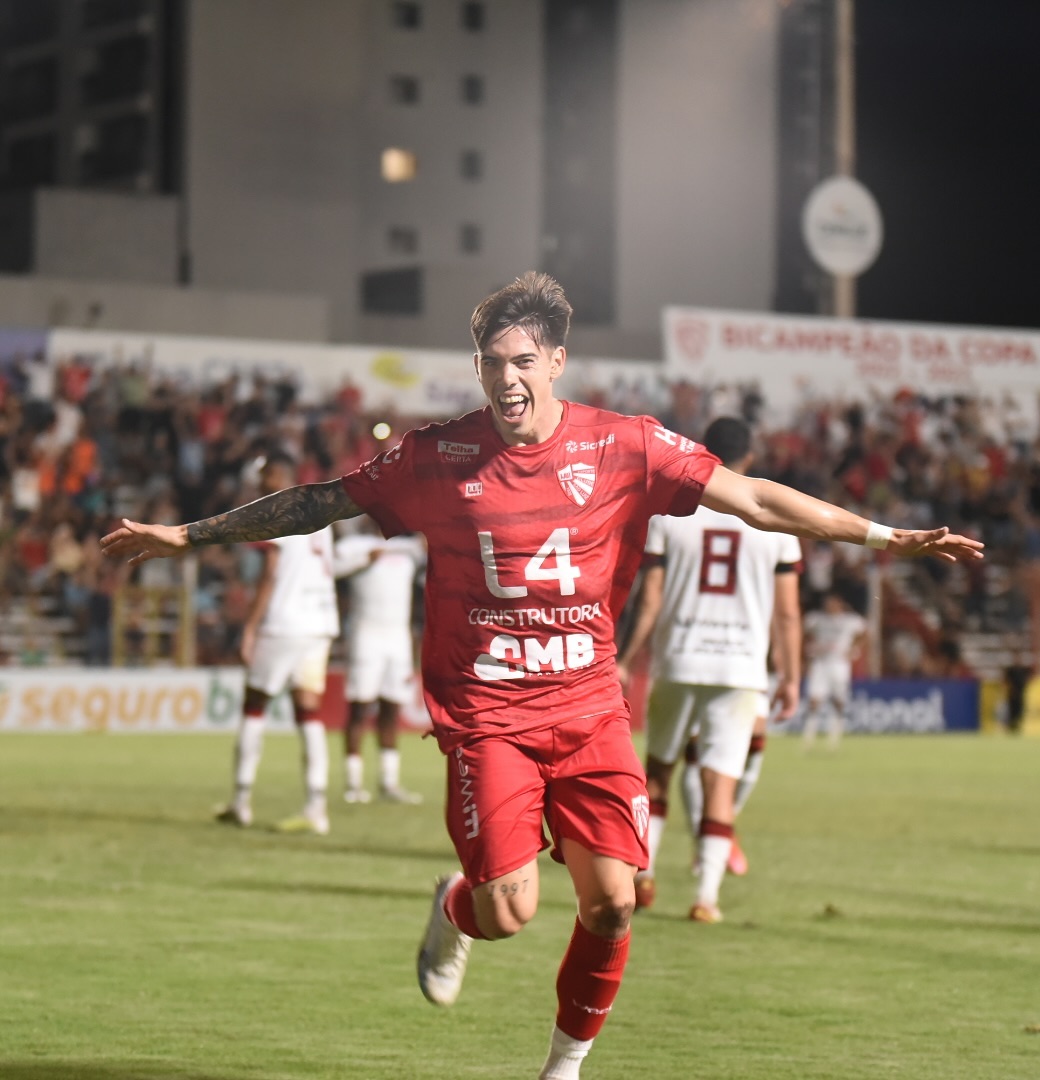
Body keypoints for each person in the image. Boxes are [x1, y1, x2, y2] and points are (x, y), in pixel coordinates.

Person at [102, 272, 983, 1080]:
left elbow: (754, 499)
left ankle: (561, 1073)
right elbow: (316, 502)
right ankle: (454, 911)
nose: (508, 379)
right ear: (478, 370)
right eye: (492, 364)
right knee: (511, 909)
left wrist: (883, 537)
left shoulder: (625, 446)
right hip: (488, 713)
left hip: (592, 708)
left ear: (558, 362)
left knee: (611, 904)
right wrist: (188, 535)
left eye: (524, 361)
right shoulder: (435, 456)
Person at [617, 417, 802, 922]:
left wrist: (626, 658)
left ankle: (643, 874)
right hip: (740, 667)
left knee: (657, 776)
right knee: (720, 784)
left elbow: (649, 600)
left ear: (703, 450)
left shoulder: (672, 511)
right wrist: (791, 674)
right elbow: (787, 613)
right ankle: (706, 898)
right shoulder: (777, 520)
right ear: (750, 455)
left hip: (679, 658)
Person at [215, 450, 340, 835]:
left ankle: (241, 800)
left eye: (264, 476)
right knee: (309, 713)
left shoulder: (280, 512)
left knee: (255, 707)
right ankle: (316, 807)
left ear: (279, 475)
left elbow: (270, 576)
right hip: (319, 623)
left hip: (285, 623)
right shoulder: (319, 513)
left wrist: (250, 627)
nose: (259, 484)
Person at [333, 523, 425, 804]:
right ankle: (353, 783)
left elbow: (436, 556)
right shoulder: (352, 545)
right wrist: (363, 561)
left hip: (398, 635)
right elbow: (332, 570)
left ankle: (389, 782)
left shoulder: (410, 548)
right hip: (366, 632)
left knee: (391, 707)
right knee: (359, 708)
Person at [801, 591, 867, 750]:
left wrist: (854, 649)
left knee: (838, 701)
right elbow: (803, 632)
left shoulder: (850, 620)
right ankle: (808, 738)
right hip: (820, 664)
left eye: (832, 602)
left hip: (839, 665)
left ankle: (834, 738)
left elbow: (865, 633)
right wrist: (809, 648)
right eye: (827, 603)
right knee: (814, 701)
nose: (829, 606)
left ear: (840, 604)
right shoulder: (816, 619)